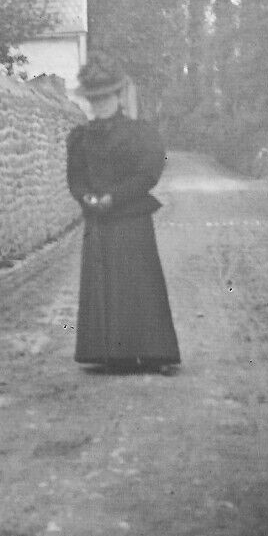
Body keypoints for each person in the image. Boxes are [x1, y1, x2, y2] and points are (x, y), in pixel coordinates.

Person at [66, 57, 181, 373]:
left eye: (105, 98)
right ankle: (110, 354)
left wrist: (114, 197)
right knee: (104, 285)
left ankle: (152, 351)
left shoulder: (140, 134)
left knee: (136, 283)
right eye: (94, 100)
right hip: (98, 220)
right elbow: (75, 178)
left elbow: (148, 174)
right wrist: (87, 197)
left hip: (130, 217)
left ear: (118, 98)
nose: (100, 105)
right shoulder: (80, 138)